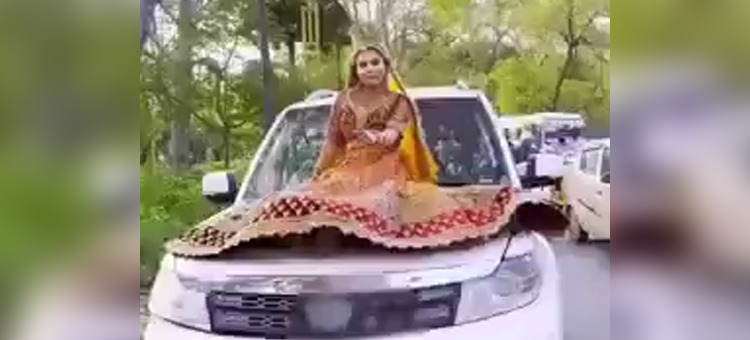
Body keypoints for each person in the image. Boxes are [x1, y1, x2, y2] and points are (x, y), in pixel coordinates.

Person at [169, 45, 517, 257]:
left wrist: (379, 138)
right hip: (347, 169)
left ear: (386, 66)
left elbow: (396, 133)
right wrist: (318, 176)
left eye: (375, 63)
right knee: (296, 203)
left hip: (386, 171)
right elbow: (333, 143)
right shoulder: (343, 101)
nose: (369, 68)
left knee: (381, 205)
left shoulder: (399, 102)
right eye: (363, 64)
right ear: (356, 69)